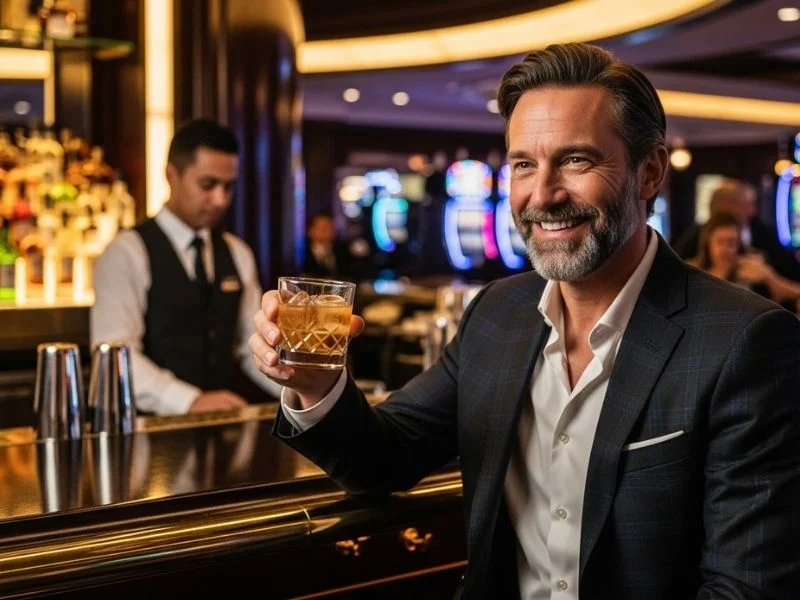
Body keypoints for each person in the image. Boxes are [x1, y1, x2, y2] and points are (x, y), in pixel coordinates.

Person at [251, 43, 800, 599]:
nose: (543, 195)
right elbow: (381, 458)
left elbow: (747, 588)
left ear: (650, 171)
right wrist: (316, 384)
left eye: (576, 160)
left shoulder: (746, 341)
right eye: (523, 165)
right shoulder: (498, 312)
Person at [92, 119, 281, 415]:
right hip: (151, 426)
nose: (220, 200)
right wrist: (188, 400)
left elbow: (250, 346)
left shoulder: (237, 252)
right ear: (172, 175)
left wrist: (305, 390)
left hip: (221, 423)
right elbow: (114, 355)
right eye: (208, 185)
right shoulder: (127, 252)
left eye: (228, 187)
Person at [688, 211, 800, 309]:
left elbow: (792, 292)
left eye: (731, 242)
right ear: (708, 244)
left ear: (739, 244)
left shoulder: (751, 268)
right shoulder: (692, 271)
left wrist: (769, 277)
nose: (726, 249)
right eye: (720, 242)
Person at [301, 212, 350, 279]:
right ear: (310, 231)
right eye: (322, 228)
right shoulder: (302, 253)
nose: (327, 231)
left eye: (330, 228)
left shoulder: (342, 250)